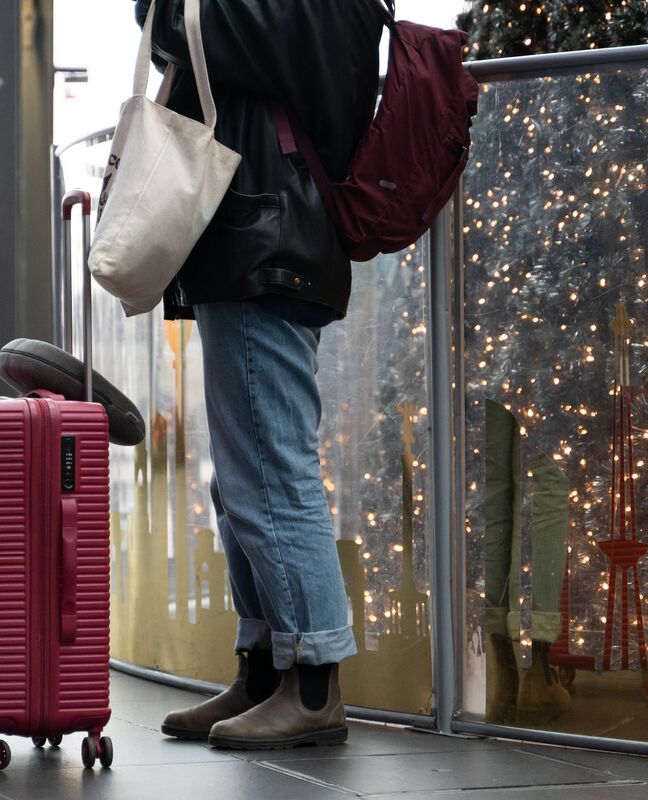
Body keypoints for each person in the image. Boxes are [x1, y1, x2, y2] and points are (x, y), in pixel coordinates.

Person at [131, 0, 386, 749]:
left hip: (264, 238)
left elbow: (182, 25)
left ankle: (312, 682)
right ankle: (265, 669)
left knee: (271, 471)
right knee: (244, 473)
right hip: (265, 236)